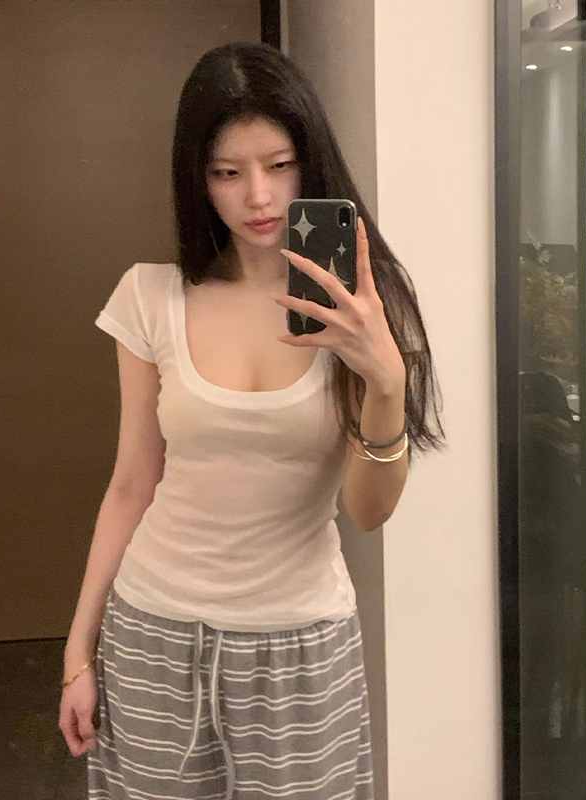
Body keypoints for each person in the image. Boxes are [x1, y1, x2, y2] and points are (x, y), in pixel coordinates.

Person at [58, 41, 443, 800]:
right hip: (153, 630)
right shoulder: (150, 297)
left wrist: (386, 381)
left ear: (312, 162)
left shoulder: (369, 306)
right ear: (197, 180)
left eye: (279, 164)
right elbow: (132, 484)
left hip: (300, 644)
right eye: (227, 173)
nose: (258, 196)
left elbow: (368, 512)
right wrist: (78, 653)